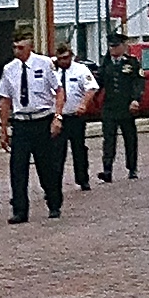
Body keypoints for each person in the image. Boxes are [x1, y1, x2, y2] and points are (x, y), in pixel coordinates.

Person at [0, 31, 65, 223]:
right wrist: (3, 129)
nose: (17, 51)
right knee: (18, 168)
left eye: (21, 47)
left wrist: (57, 117)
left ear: (30, 47)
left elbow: (59, 91)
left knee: (46, 167)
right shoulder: (9, 69)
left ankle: (54, 204)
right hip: (21, 123)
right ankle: (20, 210)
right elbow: (5, 99)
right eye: (14, 48)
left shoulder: (44, 64)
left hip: (42, 120)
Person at [97, 32, 145, 182]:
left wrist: (136, 99)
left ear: (123, 47)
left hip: (126, 107)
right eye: (111, 46)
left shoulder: (131, 63)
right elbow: (98, 83)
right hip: (110, 107)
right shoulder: (105, 63)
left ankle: (132, 168)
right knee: (108, 139)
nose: (113, 49)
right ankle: (107, 169)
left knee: (130, 139)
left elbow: (138, 82)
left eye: (116, 46)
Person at [53, 43, 99, 193]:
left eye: (66, 58)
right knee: (57, 152)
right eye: (60, 59)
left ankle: (83, 179)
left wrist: (84, 104)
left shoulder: (80, 69)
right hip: (58, 118)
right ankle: (55, 184)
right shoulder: (52, 71)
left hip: (75, 116)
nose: (63, 61)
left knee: (79, 149)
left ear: (71, 56)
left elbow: (91, 88)